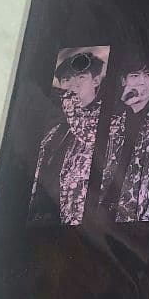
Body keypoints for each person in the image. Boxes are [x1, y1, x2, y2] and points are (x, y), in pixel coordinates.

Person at [28, 49, 107, 226]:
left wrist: (70, 103)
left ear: (95, 81)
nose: (73, 85)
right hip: (44, 212)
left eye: (81, 77)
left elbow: (89, 135)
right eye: (67, 80)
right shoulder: (56, 125)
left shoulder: (106, 116)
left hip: (78, 219)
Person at [98, 43, 149, 222]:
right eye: (134, 75)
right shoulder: (110, 115)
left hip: (137, 218)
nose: (141, 82)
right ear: (124, 80)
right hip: (99, 213)